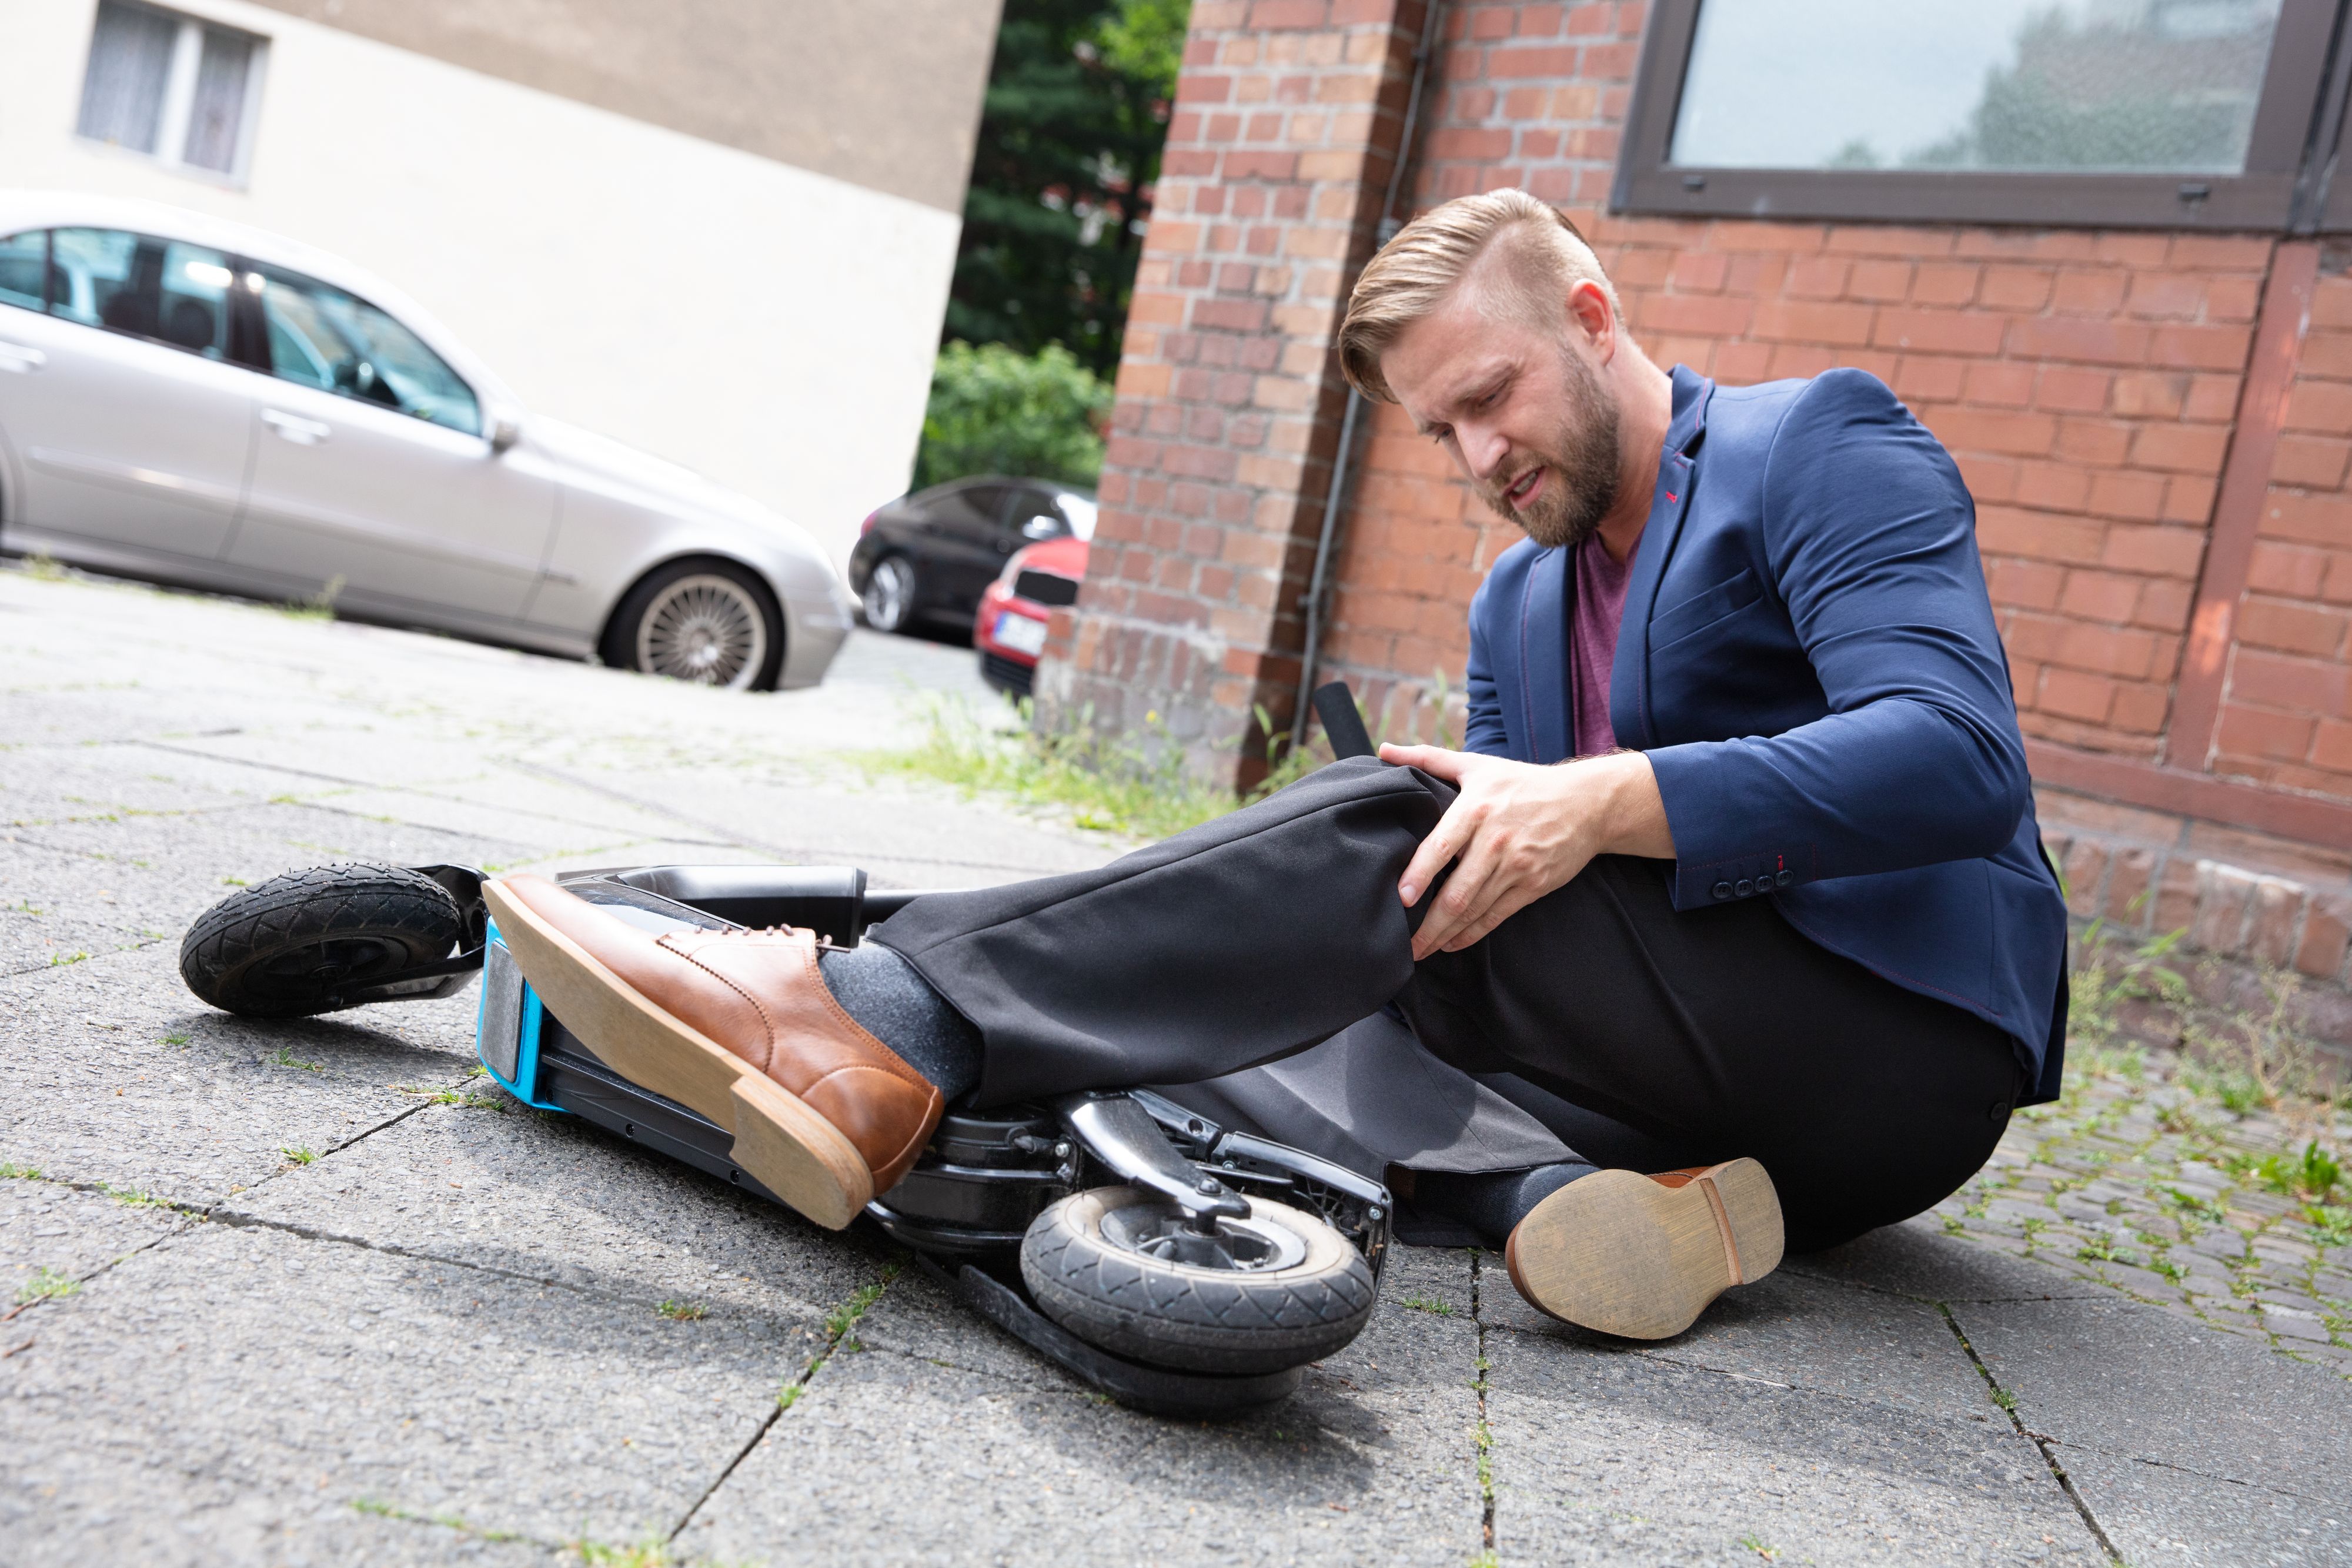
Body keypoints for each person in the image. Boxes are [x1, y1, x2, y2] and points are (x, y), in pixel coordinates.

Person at [484, 189, 2068, 1342]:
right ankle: (1587, 1198)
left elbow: (1955, 758)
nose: (1478, 460)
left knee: (1398, 830)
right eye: (1442, 432)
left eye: (1491, 398)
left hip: (1900, 1041)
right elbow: (1462, 925)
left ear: (1591, 317)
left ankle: (885, 1015)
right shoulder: (1518, 595)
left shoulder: (1818, 449)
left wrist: (1586, 802)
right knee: (1339, 951)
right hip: (1696, 1081)